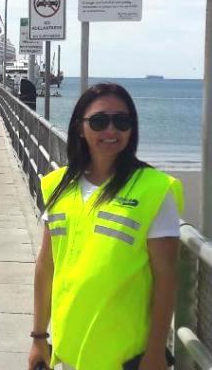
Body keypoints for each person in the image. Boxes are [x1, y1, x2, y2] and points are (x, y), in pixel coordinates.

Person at [28, 83, 183, 370]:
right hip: (70, 352)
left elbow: (166, 278)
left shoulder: (154, 190)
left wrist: (156, 352)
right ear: (79, 128)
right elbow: (46, 265)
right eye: (99, 121)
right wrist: (38, 336)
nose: (111, 131)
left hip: (125, 357)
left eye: (122, 122)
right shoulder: (59, 186)